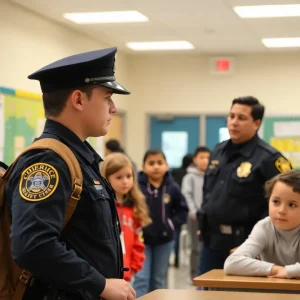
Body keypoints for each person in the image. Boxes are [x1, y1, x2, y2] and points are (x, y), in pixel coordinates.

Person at [6, 48, 136, 300]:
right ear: (78, 100)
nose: (113, 108)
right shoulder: (49, 161)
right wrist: (100, 284)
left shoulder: (76, 157)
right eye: (107, 97)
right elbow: (33, 246)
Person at [198, 96, 292, 277]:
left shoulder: (269, 158)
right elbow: (208, 192)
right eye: (231, 116)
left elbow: (283, 202)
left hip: (247, 243)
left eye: (241, 118)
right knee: (207, 291)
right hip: (212, 242)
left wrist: (258, 241)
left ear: (256, 123)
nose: (233, 122)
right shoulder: (218, 150)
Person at [133, 149, 188, 297]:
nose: (156, 166)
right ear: (143, 167)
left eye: (160, 163)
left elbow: (183, 211)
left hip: (164, 241)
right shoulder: (136, 187)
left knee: (158, 281)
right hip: (141, 241)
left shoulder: (172, 187)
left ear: (166, 165)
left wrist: (170, 225)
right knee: (141, 278)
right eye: (151, 163)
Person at [224, 170, 300, 279]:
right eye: (276, 202)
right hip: (272, 291)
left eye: (292, 205)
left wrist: (288, 271)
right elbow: (232, 263)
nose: (281, 211)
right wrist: (279, 270)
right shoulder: (265, 227)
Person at [100, 152, 152, 282]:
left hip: (127, 274)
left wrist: (133, 267)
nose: (125, 181)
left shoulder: (135, 208)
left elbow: (138, 241)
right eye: (119, 177)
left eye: (129, 176)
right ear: (106, 179)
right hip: (104, 275)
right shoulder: (101, 207)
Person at [181, 147, 210, 279]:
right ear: (195, 159)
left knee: (208, 246)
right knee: (196, 247)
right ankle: (194, 273)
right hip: (194, 218)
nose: (205, 161)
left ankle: (205, 273)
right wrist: (194, 212)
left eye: (207, 158)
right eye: (201, 157)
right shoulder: (189, 177)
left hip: (209, 217)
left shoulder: (212, 175)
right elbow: (186, 195)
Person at [170, 153, 193, 268]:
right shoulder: (189, 174)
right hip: (183, 209)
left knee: (175, 237)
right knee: (180, 236)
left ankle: (175, 258)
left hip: (173, 210)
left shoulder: (175, 172)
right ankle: (178, 259)